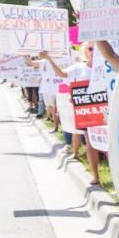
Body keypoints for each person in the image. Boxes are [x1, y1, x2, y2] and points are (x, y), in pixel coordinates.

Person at [40, 43, 101, 185]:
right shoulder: (79, 67)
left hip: (105, 110)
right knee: (90, 143)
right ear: (85, 52)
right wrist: (49, 59)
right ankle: (95, 175)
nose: (94, 51)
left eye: (97, 48)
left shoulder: (106, 66)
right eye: (90, 48)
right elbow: (61, 74)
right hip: (87, 111)